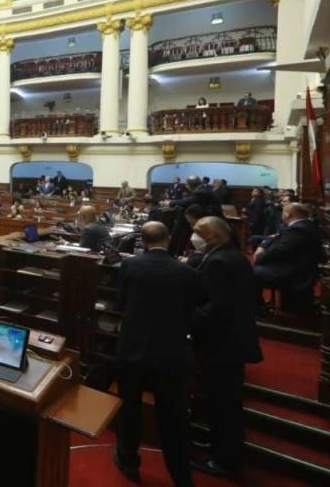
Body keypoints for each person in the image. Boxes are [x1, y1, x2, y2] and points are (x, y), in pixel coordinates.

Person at [112, 222, 197, 487]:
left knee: (130, 407)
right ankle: (181, 476)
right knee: (172, 417)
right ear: (169, 239)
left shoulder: (130, 266)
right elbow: (192, 311)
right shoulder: (187, 271)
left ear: (143, 241)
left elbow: (120, 304)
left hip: (132, 348)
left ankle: (128, 461)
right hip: (170, 352)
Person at [189, 217, 263, 479]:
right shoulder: (231, 255)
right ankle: (218, 445)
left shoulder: (220, 261)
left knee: (223, 402)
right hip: (231, 339)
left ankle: (225, 461)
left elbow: (217, 309)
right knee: (224, 400)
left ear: (214, 236)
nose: (193, 237)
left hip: (223, 343)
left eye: (198, 233)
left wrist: (187, 318)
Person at [253, 203, 323, 312]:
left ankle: (257, 309)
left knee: (250, 272)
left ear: (288, 214)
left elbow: (279, 250)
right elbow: (278, 239)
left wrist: (260, 256)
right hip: (296, 267)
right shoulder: (304, 225)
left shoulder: (298, 229)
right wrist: (264, 245)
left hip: (294, 273)